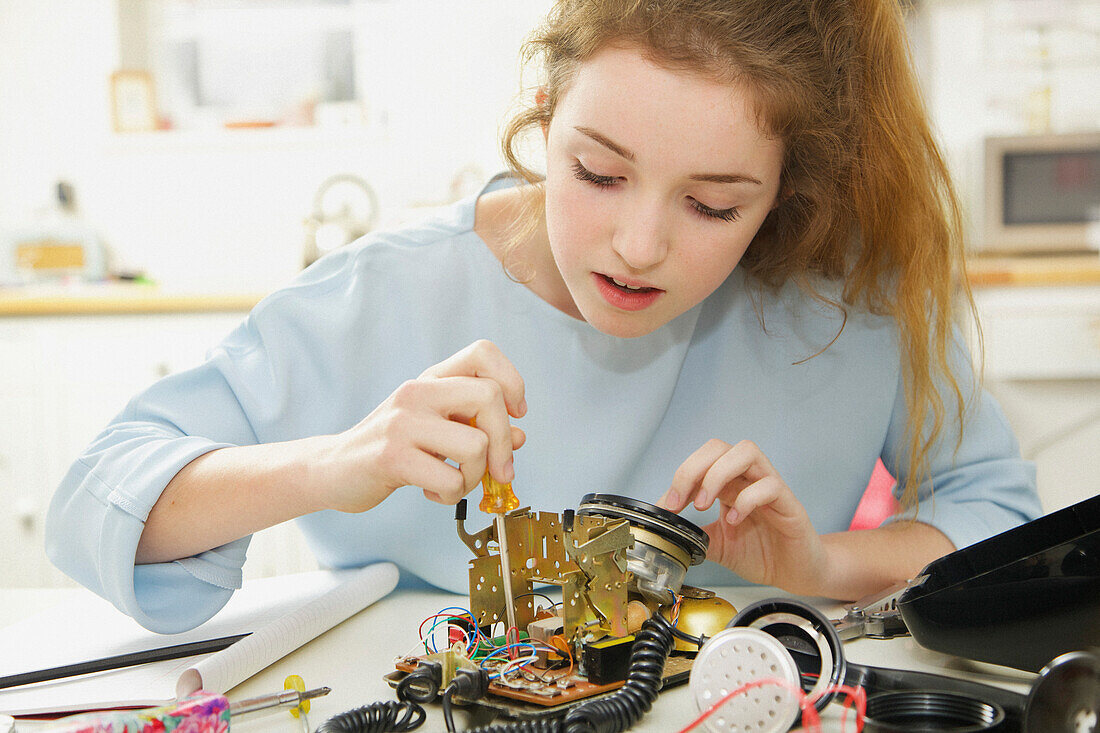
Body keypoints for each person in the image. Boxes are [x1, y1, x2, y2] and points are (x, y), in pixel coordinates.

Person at [47, 0, 1040, 634]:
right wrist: (332, 463)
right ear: (541, 116)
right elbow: (98, 501)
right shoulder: (384, 294)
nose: (636, 244)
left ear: (786, 190)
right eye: (598, 172)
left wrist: (825, 563)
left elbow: (998, 518)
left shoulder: (844, 299)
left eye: (712, 204)